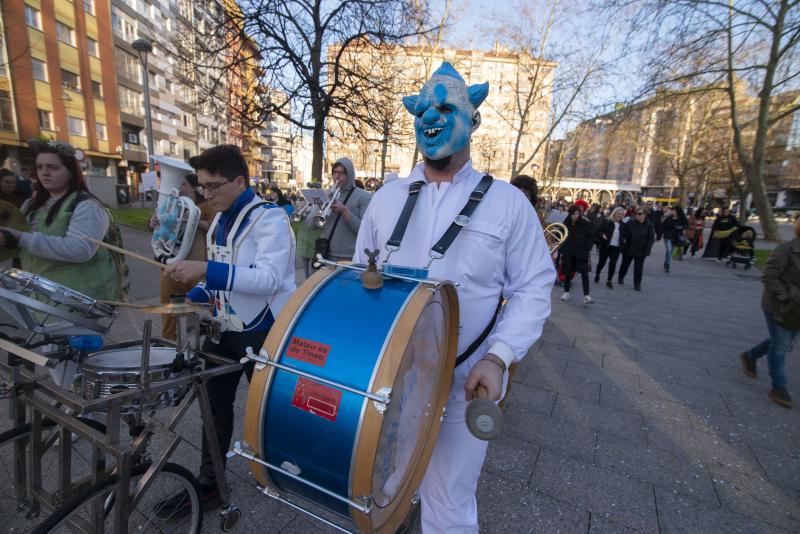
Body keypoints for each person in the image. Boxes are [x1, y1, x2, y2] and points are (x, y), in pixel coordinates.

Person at [354, 62, 555, 532]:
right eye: (422, 109)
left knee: (448, 504)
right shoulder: (385, 198)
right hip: (390, 380)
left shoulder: (509, 203)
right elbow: (362, 275)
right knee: (382, 486)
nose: (431, 116)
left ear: (473, 119)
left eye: (445, 108)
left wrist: (499, 358)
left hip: (465, 382)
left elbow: (533, 287)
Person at [161, 144, 297, 512]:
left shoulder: (270, 218)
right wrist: (196, 294)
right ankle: (210, 485)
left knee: (268, 409)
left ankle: (283, 468)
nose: (206, 194)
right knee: (213, 407)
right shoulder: (220, 221)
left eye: (212, 186)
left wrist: (205, 270)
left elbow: (268, 279)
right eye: (202, 186)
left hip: (263, 331)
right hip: (223, 329)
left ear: (239, 181)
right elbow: (223, 275)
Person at [0, 140, 120, 301]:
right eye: (40, 167)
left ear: (70, 172)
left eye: (52, 167)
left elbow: (81, 249)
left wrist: (21, 238)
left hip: (79, 299)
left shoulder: (87, 205)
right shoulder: (30, 204)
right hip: (42, 295)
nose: (44, 173)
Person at [738, 216, 800, 408]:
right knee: (781, 344)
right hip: (779, 305)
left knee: (783, 341)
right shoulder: (786, 250)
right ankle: (778, 386)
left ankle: (750, 356)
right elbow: (769, 275)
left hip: (797, 308)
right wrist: (785, 296)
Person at [148, 172, 216, 341]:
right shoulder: (171, 204)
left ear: (194, 187)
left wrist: (192, 219)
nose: (179, 187)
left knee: (200, 310)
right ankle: (169, 343)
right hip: (172, 268)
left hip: (197, 268)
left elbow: (215, 228)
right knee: (170, 310)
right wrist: (152, 222)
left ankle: (197, 345)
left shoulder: (207, 205)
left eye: (183, 184)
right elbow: (160, 231)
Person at [314, 158, 371, 262]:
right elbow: (311, 225)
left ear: (349, 174)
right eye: (335, 172)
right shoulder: (327, 193)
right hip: (325, 253)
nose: (337, 176)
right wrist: (319, 204)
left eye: (341, 173)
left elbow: (364, 230)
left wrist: (344, 211)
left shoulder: (364, 196)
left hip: (349, 256)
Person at [559, 205, 594, 304]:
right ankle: (566, 292)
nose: (576, 216)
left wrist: (587, 249)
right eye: (573, 214)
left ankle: (586, 295)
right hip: (568, 253)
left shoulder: (585, 224)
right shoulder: (565, 224)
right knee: (568, 273)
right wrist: (563, 249)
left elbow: (591, 236)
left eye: (577, 214)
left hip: (581, 253)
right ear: (570, 214)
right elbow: (560, 237)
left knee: (584, 273)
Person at [618, 208, 655, 291]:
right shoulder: (630, 223)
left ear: (645, 215)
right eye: (636, 213)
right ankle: (621, 276)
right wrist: (623, 245)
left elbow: (651, 238)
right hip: (629, 249)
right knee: (625, 265)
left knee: (638, 268)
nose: (637, 215)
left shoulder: (649, 225)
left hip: (641, 250)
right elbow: (623, 234)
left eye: (639, 213)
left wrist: (647, 249)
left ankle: (637, 284)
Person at [595, 207, 624, 288]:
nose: (620, 215)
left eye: (621, 214)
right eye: (618, 214)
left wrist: (624, 241)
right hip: (606, 246)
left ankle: (609, 280)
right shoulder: (607, 222)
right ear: (614, 214)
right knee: (601, 262)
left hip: (616, 248)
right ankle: (597, 274)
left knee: (613, 264)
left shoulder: (623, 225)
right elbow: (598, 231)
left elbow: (626, 235)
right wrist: (602, 235)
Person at [660, 205, 687, 272]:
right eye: (672, 211)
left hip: (676, 238)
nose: (672, 212)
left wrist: (683, 229)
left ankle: (666, 262)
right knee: (669, 250)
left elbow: (686, 226)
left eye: (674, 211)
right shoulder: (669, 218)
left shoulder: (682, 219)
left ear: (678, 211)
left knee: (670, 251)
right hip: (668, 237)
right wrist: (660, 234)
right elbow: (663, 226)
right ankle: (667, 264)